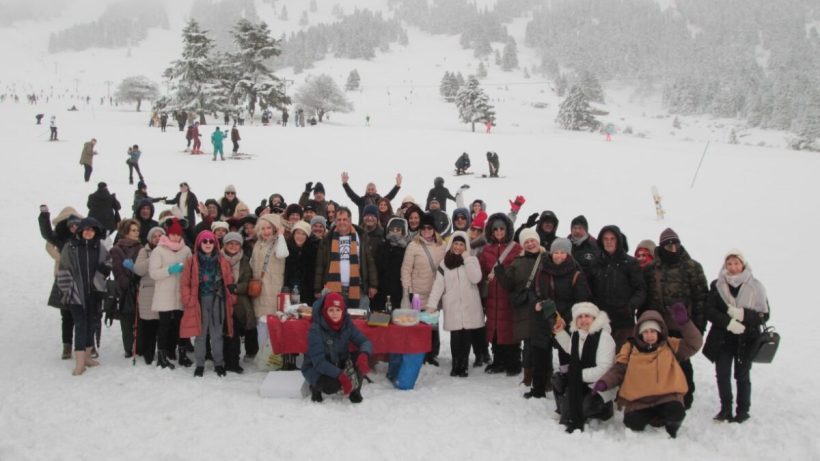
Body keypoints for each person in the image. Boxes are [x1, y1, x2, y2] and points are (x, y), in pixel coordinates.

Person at [594, 305, 703, 438]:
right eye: (646, 332)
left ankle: (667, 422)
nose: (649, 335)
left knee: (676, 413)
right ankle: (654, 416)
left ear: (659, 332)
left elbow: (695, 343)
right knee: (632, 423)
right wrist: (605, 382)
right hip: (639, 400)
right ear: (639, 333)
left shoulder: (669, 345)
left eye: (653, 331)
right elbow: (618, 370)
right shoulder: (629, 348)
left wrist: (685, 324)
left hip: (666, 397)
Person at [643, 228, 708, 410]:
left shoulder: (692, 267)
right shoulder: (651, 268)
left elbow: (701, 297)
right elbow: (646, 297)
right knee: (659, 360)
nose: (672, 248)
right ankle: (663, 394)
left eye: (675, 244)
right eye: (668, 245)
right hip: (658, 324)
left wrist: (699, 326)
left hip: (683, 325)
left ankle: (686, 395)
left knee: (683, 360)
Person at [703, 250, 769, 423]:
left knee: (742, 375)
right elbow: (709, 310)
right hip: (723, 338)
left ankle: (743, 410)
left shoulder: (756, 286)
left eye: (736, 263)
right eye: (729, 264)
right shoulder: (716, 285)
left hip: (746, 339)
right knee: (722, 374)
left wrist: (742, 315)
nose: (733, 268)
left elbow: (764, 315)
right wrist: (729, 323)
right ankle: (725, 408)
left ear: (743, 264)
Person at [56, 218, 111, 375]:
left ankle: (87, 357)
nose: (88, 232)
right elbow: (63, 268)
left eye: (92, 230)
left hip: (94, 292)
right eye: (86, 229)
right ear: (80, 230)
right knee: (80, 324)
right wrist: (67, 290)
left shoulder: (99, 247)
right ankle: (79, 362)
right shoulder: (70, 246)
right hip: (76, 294)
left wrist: (103, 271)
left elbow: (108, 263)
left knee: (92, 323)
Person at [426, 231, 484, 377]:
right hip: (452, 304)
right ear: (451, 245)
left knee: (466, 336)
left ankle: (463, 365)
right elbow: (438, 286)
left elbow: (476, 278)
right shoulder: (444, 264)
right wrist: (432, 304)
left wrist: (467, 259)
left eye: (461, 244)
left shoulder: (472, 260)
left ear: (466, 246)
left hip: (469, 304)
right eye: (456, 244)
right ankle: (456, 364)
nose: (458, 247)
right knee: (456, 336)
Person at [552, 302, 616, 432]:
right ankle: (564, 407)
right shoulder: (577, 335)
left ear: (594, 318)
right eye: (579, 317)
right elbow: (571, 349)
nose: (583, 320)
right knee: (557, 379)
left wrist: (576, 374)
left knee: (586, 407)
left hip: (599, 385)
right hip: (581, 383)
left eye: (587, 316)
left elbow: (603, 370)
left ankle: (605, 409)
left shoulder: (604, 338)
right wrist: (559, 333)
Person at [180, 230, 236, 377]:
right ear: (199, 243)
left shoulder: (222, 261)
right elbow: (184, 282)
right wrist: (188, 298)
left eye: (211, 241)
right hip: (199, 301)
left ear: (215, 243)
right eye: (204, 241)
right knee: (200, 334)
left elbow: (229, 281)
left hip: (218, 300)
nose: (208, 244)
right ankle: (200, 363)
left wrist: (231, 295)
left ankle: (218, 363)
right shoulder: (191, 261)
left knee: (217, 333)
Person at [302, 293, 373, 403]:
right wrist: (340, 375)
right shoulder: (315, 329)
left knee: (359, 357)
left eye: (338, 310)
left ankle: (355, 391)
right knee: (332, 385)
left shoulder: (347, 324)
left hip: (338, 362)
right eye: (331, 310)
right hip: (317, 367)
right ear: (325, 311)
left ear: (343, 311)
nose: (335, 314)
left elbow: (364, 341)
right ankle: (315, 387)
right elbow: (319, 362)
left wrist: (364, 355)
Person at [587, 225, 645, 350]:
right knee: (602, 359)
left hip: (624, 321)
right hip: (600, 320)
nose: (609, 242)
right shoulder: (595, 263)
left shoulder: (630, 263)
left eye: (612, 239)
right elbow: (588, 289)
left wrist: (630, 306)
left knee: (622, 359)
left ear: (618, 240)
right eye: (605, 239)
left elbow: (640, 290)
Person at [478, 213, 522, 375]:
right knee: (495, 329)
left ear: (507, 230)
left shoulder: (516, 248)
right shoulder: (486, 250)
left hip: (507, 296)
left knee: (510, 330)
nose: (498, 231)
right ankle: (498, 361)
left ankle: (514, 362)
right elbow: (481, 273)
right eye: (495, 228)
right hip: (492, 297)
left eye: (502, 228)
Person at [401, 213, 446, 365]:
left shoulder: (442, 246)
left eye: (429, 228)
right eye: (423, 228)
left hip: (435, 292)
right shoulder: (413, 246)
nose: (426, 230)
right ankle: (420, 352)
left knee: (433, 323)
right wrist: (408, 292)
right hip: (418, 294)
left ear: (434, 229)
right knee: (420, 324)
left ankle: (432, 353)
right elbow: (406, 270)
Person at [149, 218, 193, 369]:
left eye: (178, 234)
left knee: (181, 325)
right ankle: (162, 355)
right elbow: (153, 273)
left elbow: (190, 270)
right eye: (172, 234)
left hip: (181, 294)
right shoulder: (159, 250)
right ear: (168, 234)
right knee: (164, 326)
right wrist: (169, 270)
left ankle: (182, 354)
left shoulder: (186, 250)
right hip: (164, 294)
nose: (175, 237)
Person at [39, 206, 83, 359]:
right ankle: (67, 345)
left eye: (76, 225)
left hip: (80, 281)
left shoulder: (84, 237)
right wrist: (44, 216)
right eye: (71, 225)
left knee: (80, 316)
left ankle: (82, 346)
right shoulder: (61, 239)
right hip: (64, 280)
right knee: (66, 315)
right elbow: (47, 235)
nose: (74, 227)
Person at [314, 207, 378, 309]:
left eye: (344, 219)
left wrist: (373, 285)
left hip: (358, 287)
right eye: (339, 220)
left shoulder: (361, 236)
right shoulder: (328, 238)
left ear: (350, 220)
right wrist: (317, 289)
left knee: (359, 322)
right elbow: (320, 265)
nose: (341, 222)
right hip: (334, 288)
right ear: (335, 221)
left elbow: (369, 262)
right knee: (336, 321)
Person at [221, 232, 256, 372]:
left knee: (234, 332)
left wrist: (236, 288)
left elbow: (248, 282)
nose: (233, 246)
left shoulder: (245, 261)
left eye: (236, 243)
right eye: (230, 243)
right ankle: (225, 359)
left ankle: (233, 362)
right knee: (225, 333)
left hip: (239, 303)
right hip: (222, 301)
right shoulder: (218, 259)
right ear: (225, 245)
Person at [110, 219, 142, 358]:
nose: (137, 233)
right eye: (133, 230)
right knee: (127, 320)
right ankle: (129, 348)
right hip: (125, 290)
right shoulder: (116, 249)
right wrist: (128, 282)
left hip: (139, 286)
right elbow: (117, 271)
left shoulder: (140, 247)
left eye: (137, 230)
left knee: (141, 319)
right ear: (125, 232)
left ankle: (140, 345)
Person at [132, 227, 164, 364]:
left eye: (160, 235)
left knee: (163, 325)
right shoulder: (144, 251)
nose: (157, 238)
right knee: (149, 326)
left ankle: (164, 352)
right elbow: (138, 270)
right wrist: (153, 257)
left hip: (164, 292)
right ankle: (148, 354)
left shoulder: (169, 250)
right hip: (148, 292)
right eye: (154, 236)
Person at [250, 213, 289, 318]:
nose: (266, 231)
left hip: (272, 289)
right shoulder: (258, 244)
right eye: (263, 228)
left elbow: (283, 253)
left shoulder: (278, 242)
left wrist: (281, 235)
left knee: (269, 320)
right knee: (259, 320)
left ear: (274, 229)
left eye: (269, 228)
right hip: (258, 288)